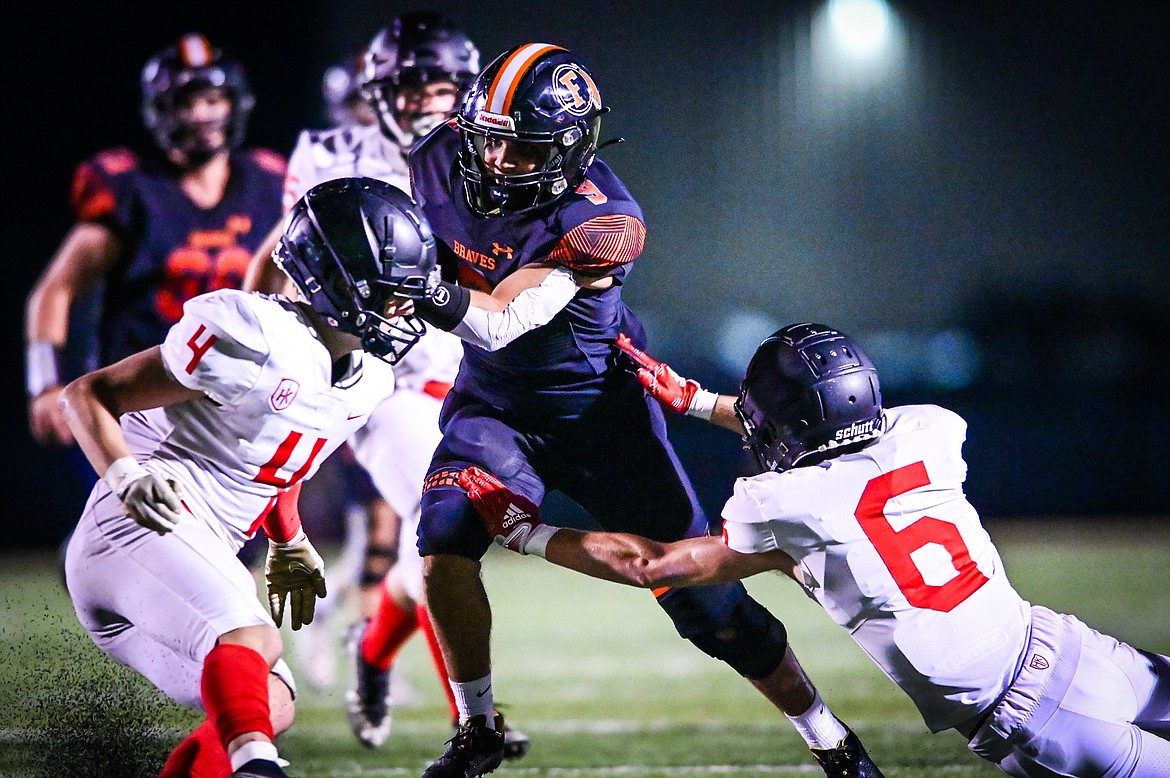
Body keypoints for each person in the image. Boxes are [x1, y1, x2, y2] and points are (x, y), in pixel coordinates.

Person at [404, 43, 883, 778]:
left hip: (600, 419)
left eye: (520, 147)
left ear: (569, 149)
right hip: (494, 408)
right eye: (488, 139)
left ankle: (828, 736)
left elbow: (501, 319)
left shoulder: (603, 219)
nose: (496, 161)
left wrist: (406, 285)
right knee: (441, 539)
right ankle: (477, 729)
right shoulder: (437, 156)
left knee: (711, 612)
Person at [460, 322, 1170, 778]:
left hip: (1026, 717)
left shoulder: (783, 508)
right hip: (1075, 647)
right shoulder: (930, 429)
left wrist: (526, 532)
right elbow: (831, 427)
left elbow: (655, 566)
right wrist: (700, 401)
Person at [60, 177, 437, 778]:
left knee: (272, 703)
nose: (404, 307)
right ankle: (259, 770)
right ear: (332, 278)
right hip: (136, 527)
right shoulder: (254, 332)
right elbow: (88, 394)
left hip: (196, 555)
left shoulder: (369, 381)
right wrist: (127, 477)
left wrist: (288, 540)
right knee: (252, 641)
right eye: (390, 291)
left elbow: (283, 460)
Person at [241, 11, 530, 758]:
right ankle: (476, 722)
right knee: (449, 519)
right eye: (410, 86)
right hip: (374, 372)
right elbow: (288, 250)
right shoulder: (332, 151)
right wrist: (259, 325)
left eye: (443, 86)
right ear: (377, 89)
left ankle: (373, 652)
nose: (427, 100)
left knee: (425, 546)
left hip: (458, 367)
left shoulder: (484, 154)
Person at [26, 32, 286, 454]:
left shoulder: (267, 182)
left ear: (235, 104)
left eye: (213, 100)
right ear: (162, 111)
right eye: (187, 103)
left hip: (235, 393)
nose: (201, 115)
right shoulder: (133, 188)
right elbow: (55, 289)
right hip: (139, 395)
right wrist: (44, 382)